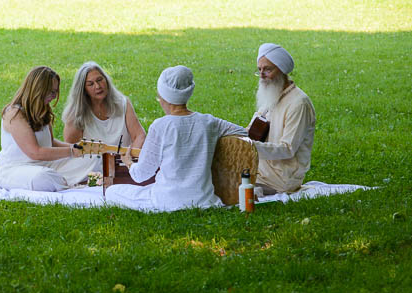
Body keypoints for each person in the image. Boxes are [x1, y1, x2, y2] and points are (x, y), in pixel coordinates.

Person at [113, 66, 247, 211]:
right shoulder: (209, 122)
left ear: (163, 97)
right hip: (204, 200)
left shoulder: (160, 126)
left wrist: (129, 163)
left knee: (111, 192)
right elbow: (242, 132)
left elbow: (141, 175)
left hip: (166, 201)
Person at [0, 66, 92, 191]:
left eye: (56, 91)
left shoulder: (43, 109)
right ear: (38, 89)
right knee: (42, 178)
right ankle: (69, 182)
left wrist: (80, 148)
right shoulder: (14, 113)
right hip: (16, 169)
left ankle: (64, 181)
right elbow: (35, 152)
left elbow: (52, 143)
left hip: (46, 164)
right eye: (51, 91)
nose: (54, 96)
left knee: (93, 159)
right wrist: (72, 152)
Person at [249, 43, 316, 194]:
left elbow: (288, 149)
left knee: (223, 185)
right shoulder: (272, 95)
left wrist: (249, 147)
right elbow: (252, 131)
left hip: (281, 178)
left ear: (282, 70)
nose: (261, 75)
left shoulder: (299, 103)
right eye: (259, 69)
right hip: (259, 168)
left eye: (267, 69)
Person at [62, 61, 146, 156]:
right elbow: (72, 149)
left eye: (99, 80)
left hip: (125, 163)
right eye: (90, 84)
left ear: (106, 80)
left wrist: (128, 160)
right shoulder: (75, 113)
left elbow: (139, 136)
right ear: (83, 90)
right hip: (92, 168)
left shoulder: (123, 103)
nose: (98, 86)